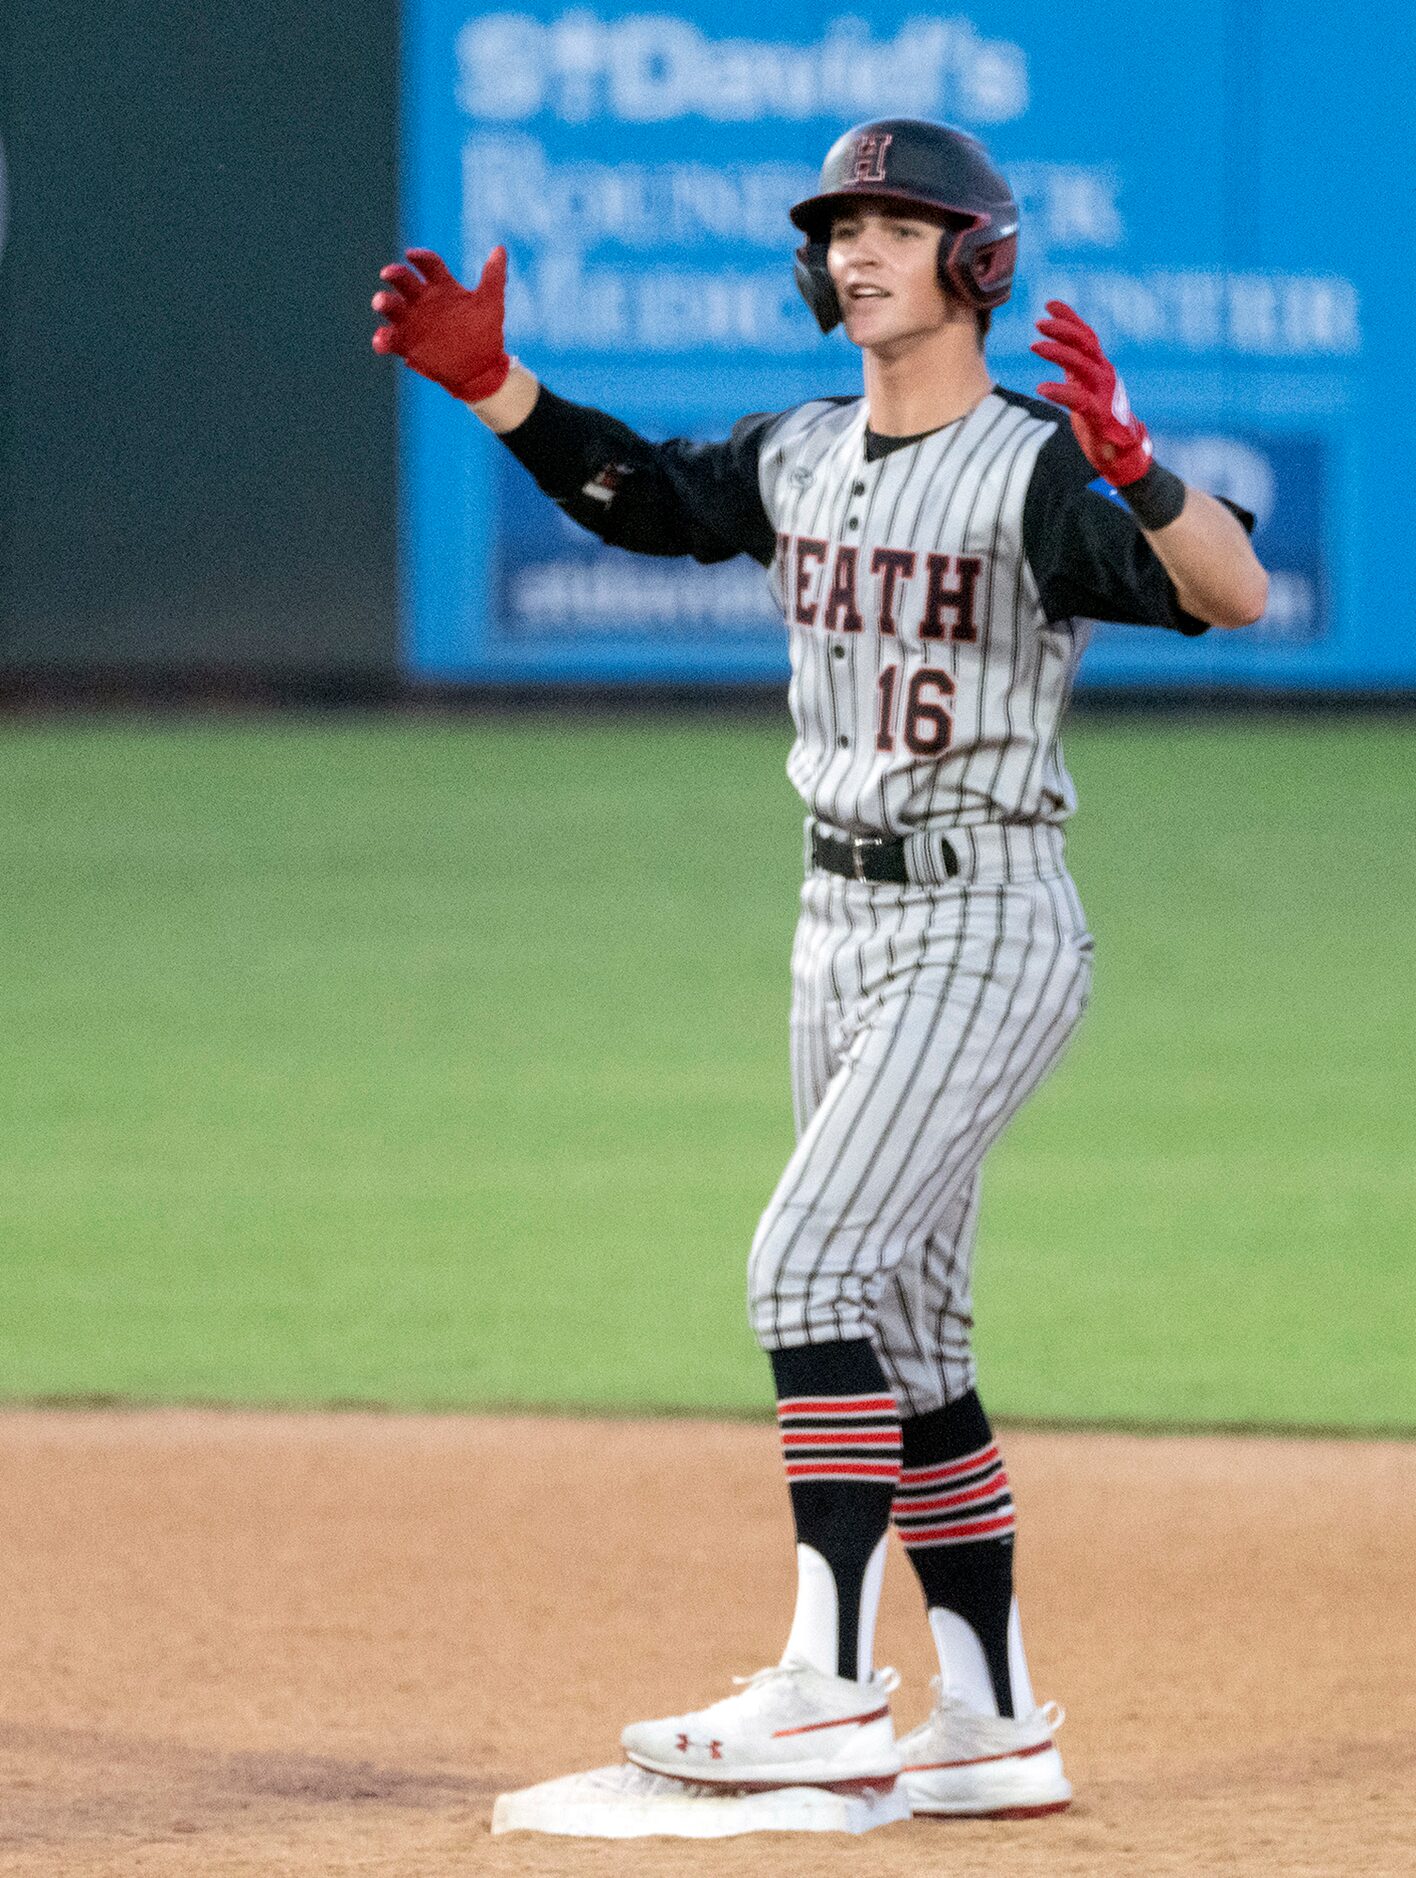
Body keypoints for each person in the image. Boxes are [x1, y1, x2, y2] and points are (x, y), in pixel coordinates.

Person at [373, 117, 1267, 1819]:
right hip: (836, 928)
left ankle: (828, 1687)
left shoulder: (1031, 469)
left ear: (978, 262)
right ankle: (993, 1717)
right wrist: (500, 390)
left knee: (802, 1270)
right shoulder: (800, 455)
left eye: (899, 225)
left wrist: (1142, 468)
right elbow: (647, 501)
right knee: (911, 1334)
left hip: (983, 917)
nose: (859, 250)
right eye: (841, 226)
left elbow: (1227, 591)